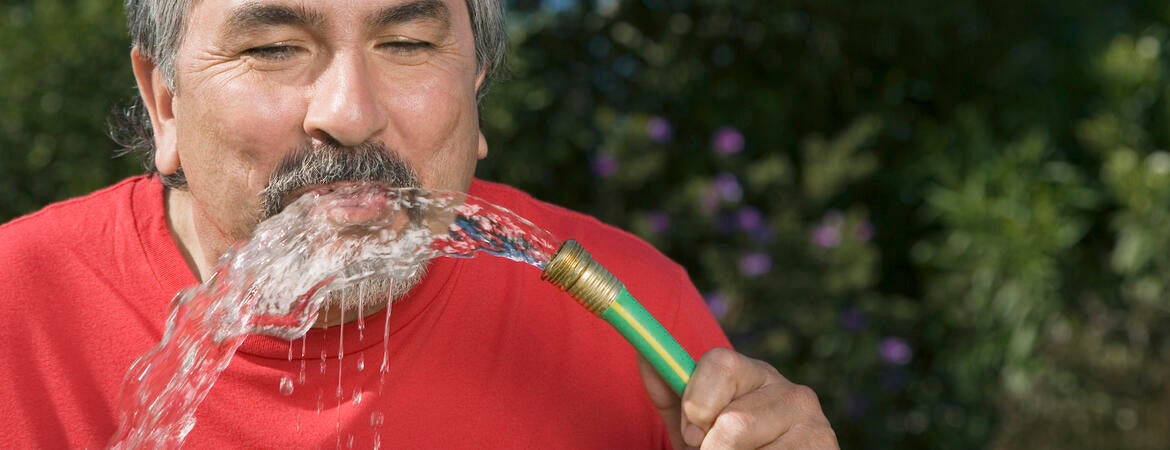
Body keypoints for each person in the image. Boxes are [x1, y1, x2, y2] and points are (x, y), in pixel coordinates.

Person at [0, 0, 838, 448]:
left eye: (405, 43)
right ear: (164, 103)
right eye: (275, 48)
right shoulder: (17, 311)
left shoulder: (632, 318)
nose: (351, 115)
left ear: (476, 91)